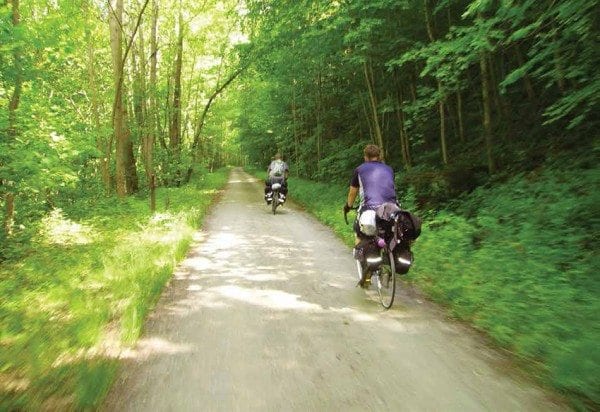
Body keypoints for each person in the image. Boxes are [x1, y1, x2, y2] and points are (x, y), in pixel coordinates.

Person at [343, 144, 398, 286]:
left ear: (365, 157)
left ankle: (365, 270)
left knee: (359, 233)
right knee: (388, 234)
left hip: (369, 209)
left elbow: (352, 193)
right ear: (379, 156)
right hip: (391, 210)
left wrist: (348, 206)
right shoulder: (389, 169)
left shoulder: (360, 170)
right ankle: (386, 265)